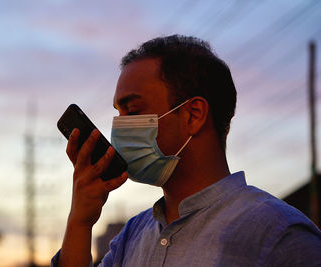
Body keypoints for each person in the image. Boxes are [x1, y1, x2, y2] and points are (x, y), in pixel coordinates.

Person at [52, 35, 321, 266]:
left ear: (193, 115)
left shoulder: (279, 235)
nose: (120, 126)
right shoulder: (131, 236)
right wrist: (80, 221)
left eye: (132, 110)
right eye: (118, 113)